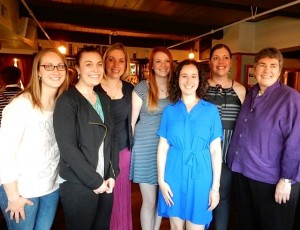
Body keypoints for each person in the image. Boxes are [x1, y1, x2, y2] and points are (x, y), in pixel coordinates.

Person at [227, 47, 300, 230]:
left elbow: (296, 143)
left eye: (273, 66)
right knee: (247, 224)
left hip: (271, 180)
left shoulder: (291, 99)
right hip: (244, 173)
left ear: (279, 70)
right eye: (262, 65)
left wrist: (287, 179)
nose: (267, 70)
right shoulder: (251, 93)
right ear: (255, 69)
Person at [0, 48, 69, 229]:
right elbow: (4, 153)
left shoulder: (63, 105)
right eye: (49, 66)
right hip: (21, 191)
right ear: (38, 71)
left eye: (61, 66)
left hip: (50, 188)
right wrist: (13, 196)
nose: (56, 71)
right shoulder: (22, 105)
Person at [53, 46, 118, 230]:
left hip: (106, 182)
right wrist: (94, 181)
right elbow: (67, 148)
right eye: (88, 64)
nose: (95, 69)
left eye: (99, 64)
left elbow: (112, 138)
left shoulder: (103, 99)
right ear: (78, 69)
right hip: (78, 183)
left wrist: (112, 174)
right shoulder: (67, 101)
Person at [157, 59, 222, 229]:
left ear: (200, 80)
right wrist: (161, 181)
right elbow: (163, 148)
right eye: (184, 76)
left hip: (201, 175)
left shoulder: (211, 111)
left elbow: (216, 151)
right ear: (177, 80)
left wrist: (215, 188)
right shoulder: (169, 111)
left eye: (193, 76)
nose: (189, 81)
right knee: (176, 227)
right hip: (174, 173)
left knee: (196, 226)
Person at [129, 46, 173, 230]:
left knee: (161, 201)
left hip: (168, 150)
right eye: (158, 61)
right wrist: (132, 151)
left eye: (166, 61)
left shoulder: (176, 88)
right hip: (146, 149)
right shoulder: (141, 87)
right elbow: (131, 123)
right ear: (152, 66)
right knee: (149, 201)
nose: (163, 65)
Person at [205, 44, 246, 230]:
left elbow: (247, 123)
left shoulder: (241, 90)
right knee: (202, 194)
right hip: (203, 152)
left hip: (228, 153)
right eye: (216, 57)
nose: (220, 62)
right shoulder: (200, 87)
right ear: (209, 62)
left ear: (230, 62)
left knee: (223, 196)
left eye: (225, 57)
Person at [99, 43, 134, 230]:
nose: (115, 64)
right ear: (104, 62)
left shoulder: (130, 89)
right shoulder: (94, 87)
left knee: (120, 198)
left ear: (126, 64)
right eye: (111, 59)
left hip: (122, 152)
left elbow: (137, 121)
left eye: (121, 60)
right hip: (97, 154)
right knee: (101, 199)